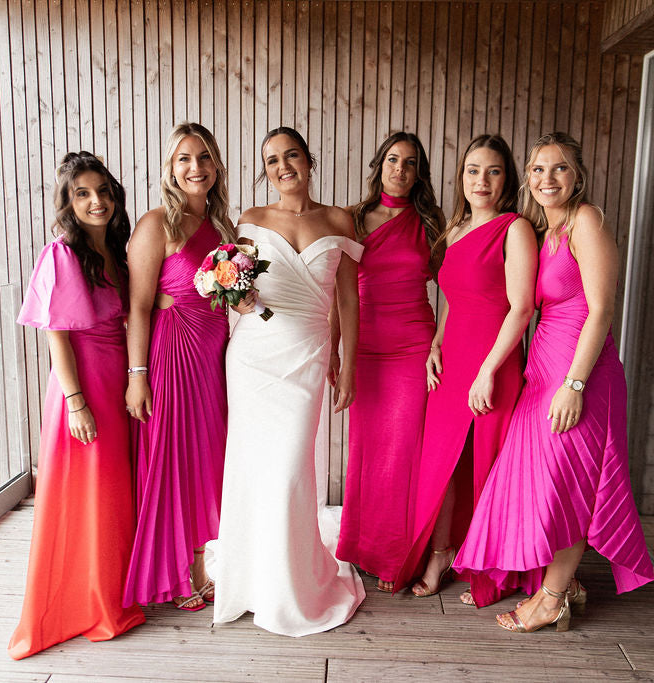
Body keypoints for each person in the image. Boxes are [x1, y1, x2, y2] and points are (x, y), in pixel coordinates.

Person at [453, 132, 654, 633]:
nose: (547, 179)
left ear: (577, 176)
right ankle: (568, 584)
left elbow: (602, 310)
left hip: (580, 372)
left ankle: (553, 597)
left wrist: (576, 384)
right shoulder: (547, 231)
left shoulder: (586, 220)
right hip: (544, 366)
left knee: (572, 482)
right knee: (546, 480)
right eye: (539, 169)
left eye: (559, 168)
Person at [212, 126, 366, 636]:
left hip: (307, 356)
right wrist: (238, 297)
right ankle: (254, 576)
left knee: (290, 470)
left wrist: (346, 360)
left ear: (309, 160)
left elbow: (348, 299)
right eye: (272, 160)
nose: (283, 167)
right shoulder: (250, 220)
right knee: (255, 467)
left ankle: (294, 581)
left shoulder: (339, 219)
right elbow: (234, 287)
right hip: (254, 357)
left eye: (291, 155)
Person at [8, 152, 145, 659]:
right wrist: (75, 402)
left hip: (118, 381)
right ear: (68, 202)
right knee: (85, 491)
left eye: (104, 192)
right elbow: (57, 338)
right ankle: (86, 602)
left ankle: (110, 589)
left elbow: (138, 310)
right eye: (83, 194)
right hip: (81, 384)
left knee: (111, 490)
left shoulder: (115, 251)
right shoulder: (62, 254)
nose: (97, 201)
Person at [393, 135, 538, 609]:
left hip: (494, 362)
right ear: (461, 177)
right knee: (444, 467)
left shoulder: (514, 229)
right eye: (473, 170)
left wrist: (487, 371)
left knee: (488, 466)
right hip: (453, 360)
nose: (482, 180)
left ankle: (489, 562)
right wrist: (435, 343)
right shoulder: (454, 231)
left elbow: (520, 309)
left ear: (507, 180)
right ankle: (440, 553)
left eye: (493, 171)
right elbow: (455, 302)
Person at [121, 123, 235, 611]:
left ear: (216, 167)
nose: (196, 167)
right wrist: (137, 375)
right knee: (173, 462)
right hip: (170, 357)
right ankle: (177, 572)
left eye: (204, 157)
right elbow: (139, 305)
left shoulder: (225, 228)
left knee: (205, 463)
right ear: (171, 168)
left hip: (214, 358)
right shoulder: (156, 225)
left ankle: (199, 562)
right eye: (185, 159)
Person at [335, 132, 444, 593]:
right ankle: (363, 549)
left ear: (419, 173)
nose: (400, 169)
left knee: (402, 454)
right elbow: (337, 293)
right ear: (379, 165)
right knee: (366, 452)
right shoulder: (354, 220)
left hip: (412, 348)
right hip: (366, 349)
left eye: (410, 163)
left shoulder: (431, 222)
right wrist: (338, 352)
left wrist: (441, 340)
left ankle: (398, 556)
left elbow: (456, 288)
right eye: (393, 160)